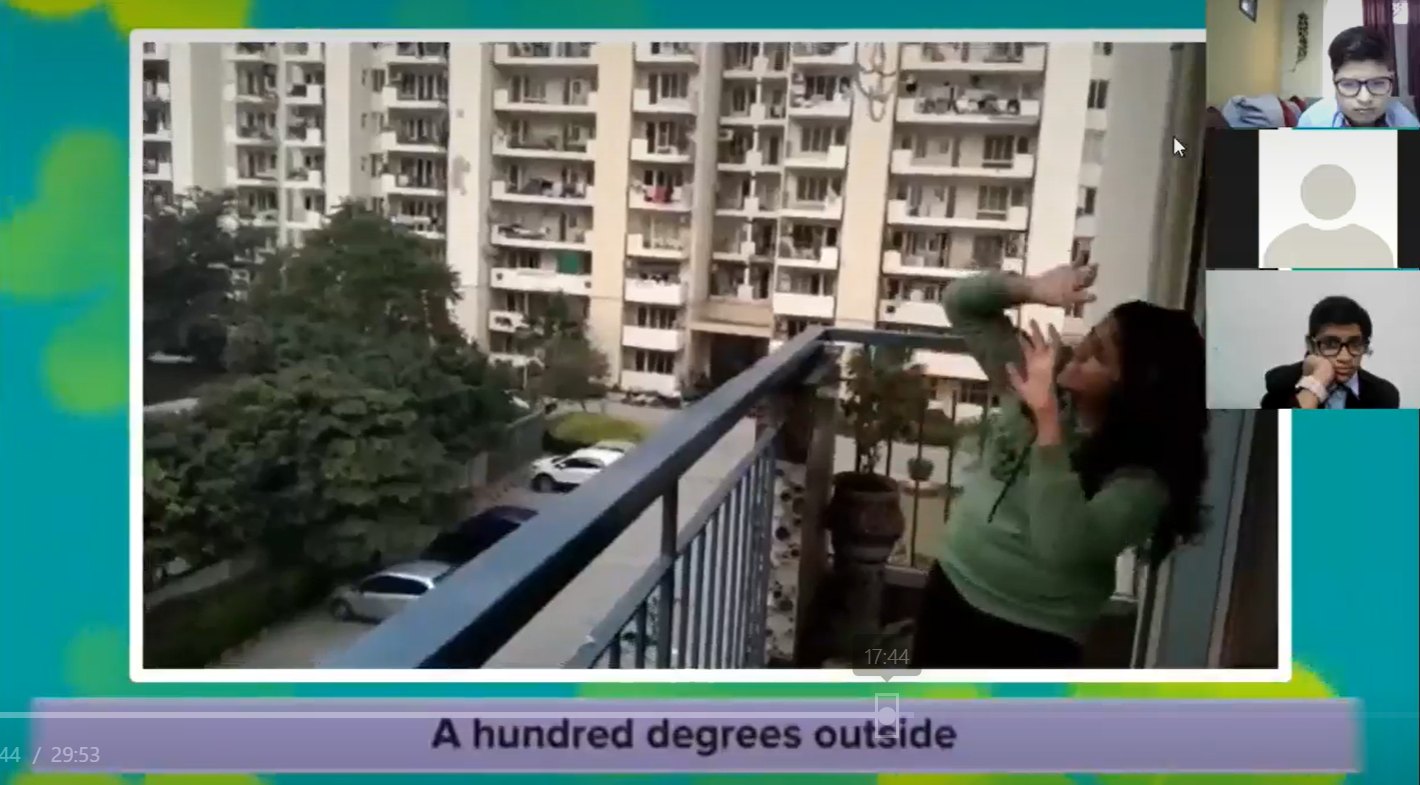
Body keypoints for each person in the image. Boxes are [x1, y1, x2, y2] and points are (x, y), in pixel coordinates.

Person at [911, 265, 1207, 668]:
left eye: (1099, 355)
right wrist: (1032, 288)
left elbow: (1061, 546)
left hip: (1031, 630)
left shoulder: (1143, 481)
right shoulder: (1042, 376)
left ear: (1137, 386)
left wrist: (1047, 421)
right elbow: (960, 304)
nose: (1080, 352)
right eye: (1091, 337)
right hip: (952, 581)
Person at [1260, 296, 1400, 409]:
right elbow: (1282, 434)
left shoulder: (1384, 396)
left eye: (1355, 344)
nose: (1345, 357)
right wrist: (1317, 382)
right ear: (1311, 345)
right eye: (1331, 344)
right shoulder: (1281, 386)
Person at [1296, 26, 1420, 128]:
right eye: (1349, 84)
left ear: (1392, 82)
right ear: (1334, 82)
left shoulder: (1407, 123)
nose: (1365, 99)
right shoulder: (1312, 123)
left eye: (1378, 83)